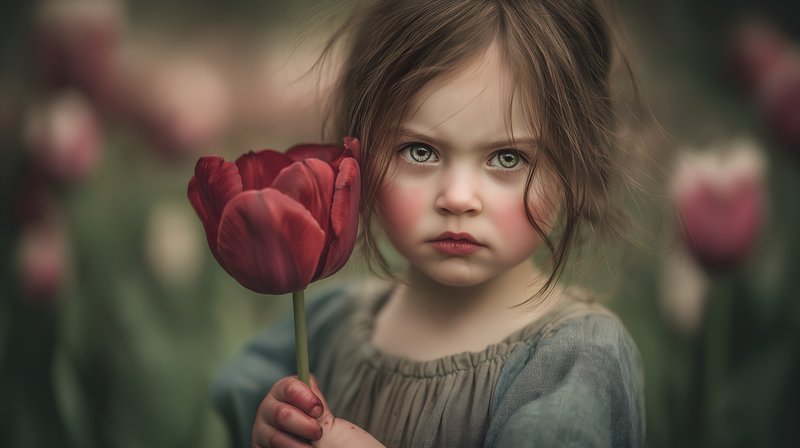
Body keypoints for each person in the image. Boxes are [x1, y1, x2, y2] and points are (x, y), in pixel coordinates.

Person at [213, 0, 646, 446]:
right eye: (420, 151)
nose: (458, 198)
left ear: (574, 165)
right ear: (357, 153)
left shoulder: (575, 361)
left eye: (508, 157)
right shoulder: (325, 325)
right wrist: (269, 432)